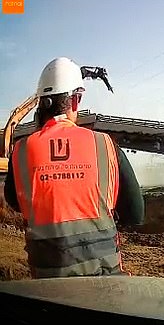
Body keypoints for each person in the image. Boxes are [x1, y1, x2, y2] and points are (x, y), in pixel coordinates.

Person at [3, 57, 145, 279]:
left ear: (40, 104)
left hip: (46, 286)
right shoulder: (105, 144)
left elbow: (14, 200)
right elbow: (135, 213)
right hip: (105, 280)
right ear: (76, 101)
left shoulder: (20, 151)